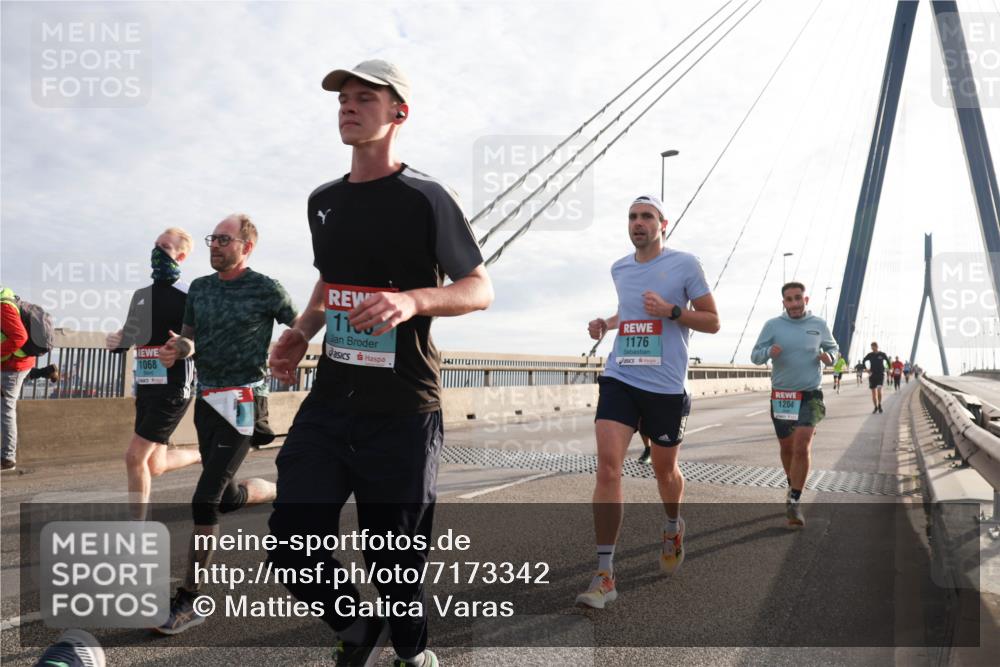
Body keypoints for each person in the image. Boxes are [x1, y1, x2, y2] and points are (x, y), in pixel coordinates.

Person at [266, 60, 493, 667]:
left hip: (403, 410)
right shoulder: (323, 201)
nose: (348, 105)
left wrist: (413, 300)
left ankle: (413, 654)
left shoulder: (427, 197)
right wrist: (302, 331)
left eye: (365, 97)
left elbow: (479, 288)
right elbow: (329, 282)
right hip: (330, 403)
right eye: (343, 98)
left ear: (399, 113)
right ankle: (356, 625)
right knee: (291, 541)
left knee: (394, 564)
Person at [154, 213, 297, 634]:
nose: (214, 245)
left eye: (223, 239)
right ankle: (277, 490)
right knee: (227, 494)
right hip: (207, 400)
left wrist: (289, 351)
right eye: (212, 239)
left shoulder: (266, 288)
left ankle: (189, 600)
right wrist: (179, 348)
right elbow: (190, 337)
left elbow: (303, 323)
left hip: (246, 401)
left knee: (205, 499)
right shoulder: (200, 288)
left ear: (246, 247)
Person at [577, 193, 720, 609]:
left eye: (646, 216)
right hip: (621, 376)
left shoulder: (686, 264)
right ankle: (605, 574)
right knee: (608, 468)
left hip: (666, 386)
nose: (638, 223)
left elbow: (712, 321)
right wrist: (607, 323)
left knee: (664, 471)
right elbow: (631, 311)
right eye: (632, 217)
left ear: (663, 224)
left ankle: (673, 525)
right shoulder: (619, 268)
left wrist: (673, 311)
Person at [108, 228, 201, 520]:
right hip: (146, 386)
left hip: (175, 386)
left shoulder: (191, 294)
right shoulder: (141, 296)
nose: (157, 251)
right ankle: (204, 454)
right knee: (154, 465)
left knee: (134, 456)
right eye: (156, 245)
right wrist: (116, 340)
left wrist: (183, 348)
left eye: (165, 247)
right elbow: (128, 336)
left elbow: (205, 340)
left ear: (181, 256)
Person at [751, 282, 838, 527]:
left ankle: (795, 499)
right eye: (789, 299)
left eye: (798, 298)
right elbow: (755, 356)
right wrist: (769, 352)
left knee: (802, 445)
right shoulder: (773, 325)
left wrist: (830, 357)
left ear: (805, 300)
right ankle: (793, 484)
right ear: (784, 303)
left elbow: (834, 349)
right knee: (787, 447)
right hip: (782, 396)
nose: (794, 303)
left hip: (810, 394)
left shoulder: (818, 324)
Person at [1, 285, 34, 471]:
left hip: (14, 366)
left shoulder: (3, 306)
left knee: (6, 409)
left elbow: (19, 337)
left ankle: (8, 458)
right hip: (12, 362)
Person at [863, 342, 891, 413]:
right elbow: (863, 361)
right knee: (873, 393)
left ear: (877, 347)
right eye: (872, 348)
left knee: (879, 390)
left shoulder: (882, 354)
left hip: (880, 375)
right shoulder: (870, 355)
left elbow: (888, 362)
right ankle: (875, 407)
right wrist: (866, 369)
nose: (872, 349)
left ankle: (880, 404)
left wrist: (889, 369)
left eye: (873, 347)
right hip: (872, 375)